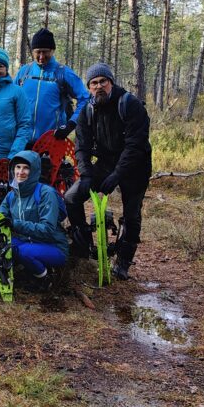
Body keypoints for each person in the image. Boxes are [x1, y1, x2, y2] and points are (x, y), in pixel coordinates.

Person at [65, 63, 151, 280]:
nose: (99, 86)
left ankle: (123, 262)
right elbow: (81, 147)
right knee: (72, 197)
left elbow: (135, 145)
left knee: (132, 214)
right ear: (89, 87)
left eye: (103, 81)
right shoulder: (87, 110)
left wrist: (117, 175)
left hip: (135, 165)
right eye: (93, 83)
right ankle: (84, 246)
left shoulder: (129, 104)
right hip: (105, 163)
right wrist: (86, 174)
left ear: (111, 82)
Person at [0, 151, 69, 282]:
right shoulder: (11, 195)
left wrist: (15, 224)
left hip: (53, 246)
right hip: (26, 242)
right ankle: (12, 276)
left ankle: (46, 278)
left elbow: (47, 229)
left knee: (23, 252)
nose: (20, 172)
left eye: (26, 168)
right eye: (18, 167)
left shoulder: (46, 193)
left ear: (34, 171)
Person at [15, 28, 91, 144]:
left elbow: (85, 99)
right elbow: (10, 98)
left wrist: (71, 124)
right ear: (32, 51)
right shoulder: (24, 72)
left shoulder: (63, 73)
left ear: (52, 51)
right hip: (22, 140)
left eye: (45, 52)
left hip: (52, 141)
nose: (41, 56)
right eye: (38, 52)